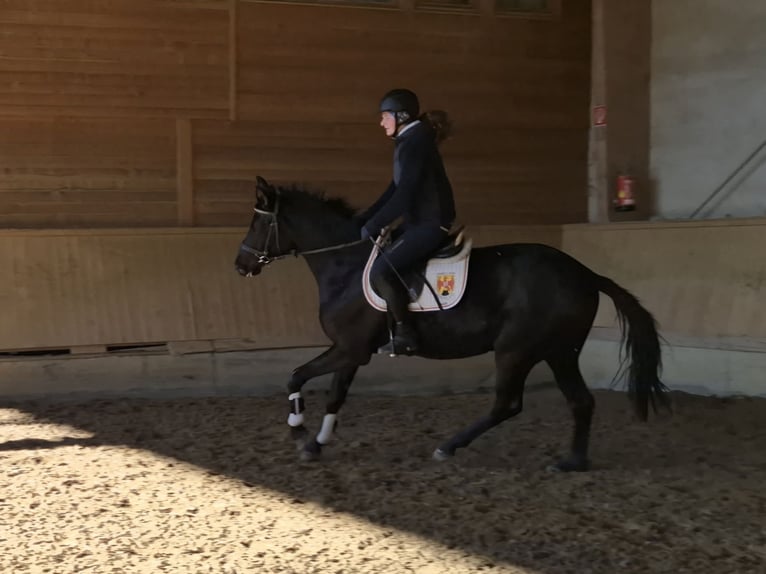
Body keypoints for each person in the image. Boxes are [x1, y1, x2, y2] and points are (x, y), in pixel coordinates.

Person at [356, 88, 457, 356]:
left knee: (380, 271)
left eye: (384, 116)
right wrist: (368, 216)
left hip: (429, 224)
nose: (381, 122)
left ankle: (405, 334)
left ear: (400, 116)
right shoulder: (410, 140)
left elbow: (405, 194)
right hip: (418, 222)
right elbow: (394, 188)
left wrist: (376, 223)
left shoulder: (415, 142)